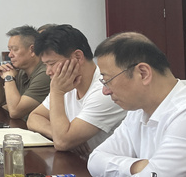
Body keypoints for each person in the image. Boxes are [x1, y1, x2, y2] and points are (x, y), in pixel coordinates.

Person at [88, 32, 186, 177]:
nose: (105, 91)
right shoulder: (138, 111)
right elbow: (95, 161)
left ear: (143, 73)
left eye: (108, 80)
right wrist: (139, 166)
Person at [27, 25, 126, 153]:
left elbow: (62, 142)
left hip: (103, 164)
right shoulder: (67, 83)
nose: (48, 72)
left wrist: (57, 92)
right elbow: (34, 117)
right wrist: (57, 133)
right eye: (45, 65)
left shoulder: (105, 90)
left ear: (78, 57)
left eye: (51, 64)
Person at [0, 25, 50, 119]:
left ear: (32, 50)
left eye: (14, 49)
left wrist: (9, 78)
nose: (10, 55)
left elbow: (15, 112)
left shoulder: (46, 74)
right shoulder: (22, 71)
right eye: (9, 50)